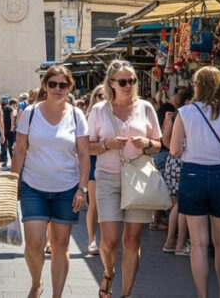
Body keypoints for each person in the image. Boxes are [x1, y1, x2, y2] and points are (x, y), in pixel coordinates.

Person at [170, 66, 220, 298]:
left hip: (193, 176)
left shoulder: (185, 113)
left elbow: (174, 150)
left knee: (199, 244)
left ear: (197, 86)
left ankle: (203, 295)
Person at [12, 65, 89, 298]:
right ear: (45, 86)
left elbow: (84, 154)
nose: (57, 88)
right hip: (33, 186)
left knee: (60, 245)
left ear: (69, 87)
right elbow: (20, 150)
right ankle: (37, 283)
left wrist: (82, 188)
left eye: (62, 84)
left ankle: (57, 295)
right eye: (53, 84)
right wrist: (12, 182)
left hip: (67, 188)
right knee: (33, 244)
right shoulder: (31, 113)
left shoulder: (77, 115)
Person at [87, 60, 162, 298]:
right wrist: (106, 145)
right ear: (111, 83)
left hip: (138, 178)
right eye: (123, 82)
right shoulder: (99, 110)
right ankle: (109, 272)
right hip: (108, 178)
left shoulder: (146, 108)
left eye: (132, 81)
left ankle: (125, 294)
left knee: (132, 240)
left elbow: (159, 144)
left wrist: (147, 143)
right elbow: (86, 147)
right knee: (109, 241)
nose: (129, 85)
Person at [161, 86, 194, 257]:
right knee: (182, 204)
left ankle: (171, 242)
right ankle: (179, 243)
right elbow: (166, 138)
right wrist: (180, 152)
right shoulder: (184, 115)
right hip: (182, 161)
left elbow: (166, 138)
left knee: (178, 204)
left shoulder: (177, 115)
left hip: (174, 161)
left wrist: (174, 152)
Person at [150, 89, 185, 231]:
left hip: (166, 155)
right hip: (167, 155)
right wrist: (175, 151)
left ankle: (158, 222)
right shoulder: (176, 113)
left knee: (164, 191)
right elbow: (165, 137)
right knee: (174, 199)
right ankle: (160, 224)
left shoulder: (171, 111)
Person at [85, 84, 104, 256]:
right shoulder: (89, 116)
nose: (104, 99)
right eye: (100, 96)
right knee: (94, 204)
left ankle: (106, 241)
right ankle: (92, 240)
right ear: (94, 98)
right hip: (94, 163)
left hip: (114, 164)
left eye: (107, 96)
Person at [0, 98, 17, 168]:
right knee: (11, 146)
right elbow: (12, 117)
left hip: (4, 129)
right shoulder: (10, 108)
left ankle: (4, 161)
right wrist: (12, 127)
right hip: (10, 129)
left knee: (3, 146)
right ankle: (13, 161)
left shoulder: (2, 108)